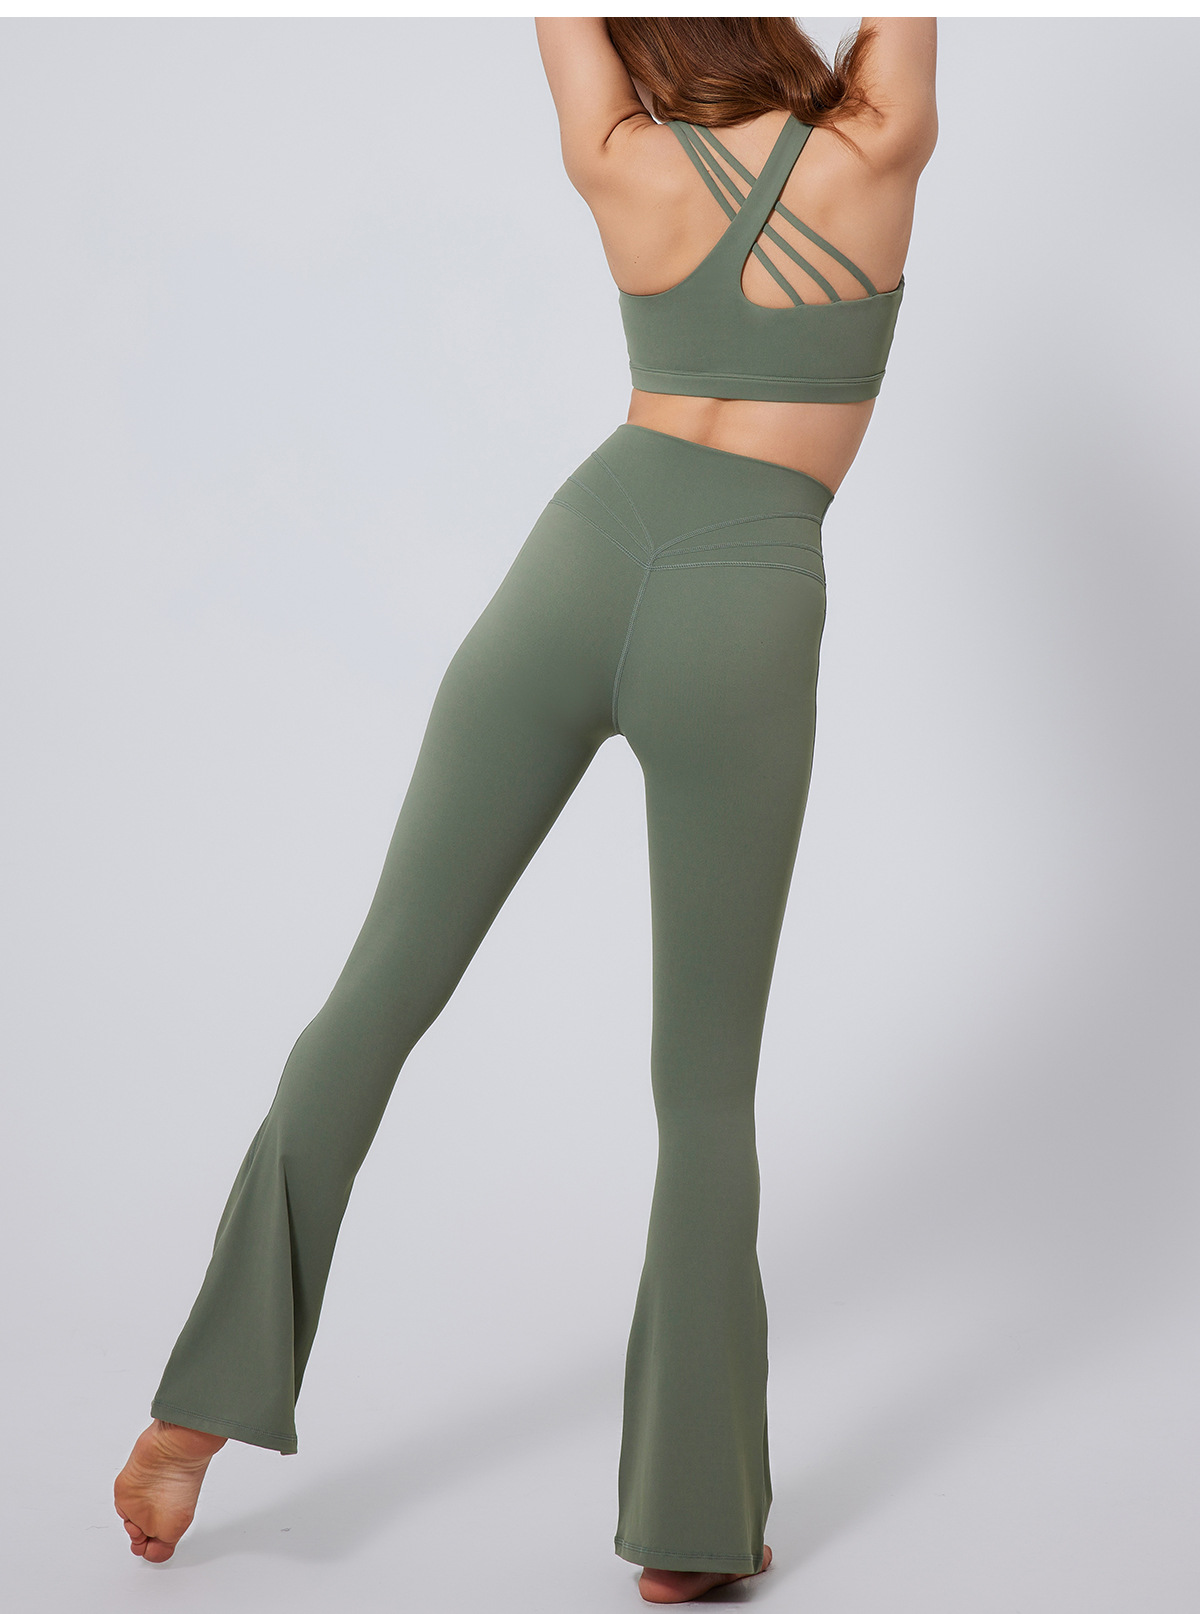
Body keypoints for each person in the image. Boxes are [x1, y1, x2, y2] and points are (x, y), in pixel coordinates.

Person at [114, 16, 937, 1605]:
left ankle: (186, 1420)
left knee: (375, 994)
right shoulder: (879, 144)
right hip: (747, 594)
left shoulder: (614, 153)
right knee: (704, 1088)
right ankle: (690, 1530)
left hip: (582, 552)